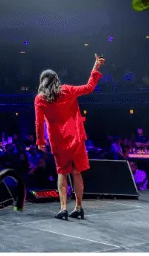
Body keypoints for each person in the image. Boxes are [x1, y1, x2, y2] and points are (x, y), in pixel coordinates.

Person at [34, 54, 104, 220]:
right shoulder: (67, 90)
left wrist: (40, 141)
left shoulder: (40, 99)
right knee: (77, 172)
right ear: (56, 80)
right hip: (75, 137)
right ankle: (79, 207)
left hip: (58, 140)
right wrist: (95, 68)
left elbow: (38, 123)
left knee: (62, 173)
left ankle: (63, 208)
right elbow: (88, 87)